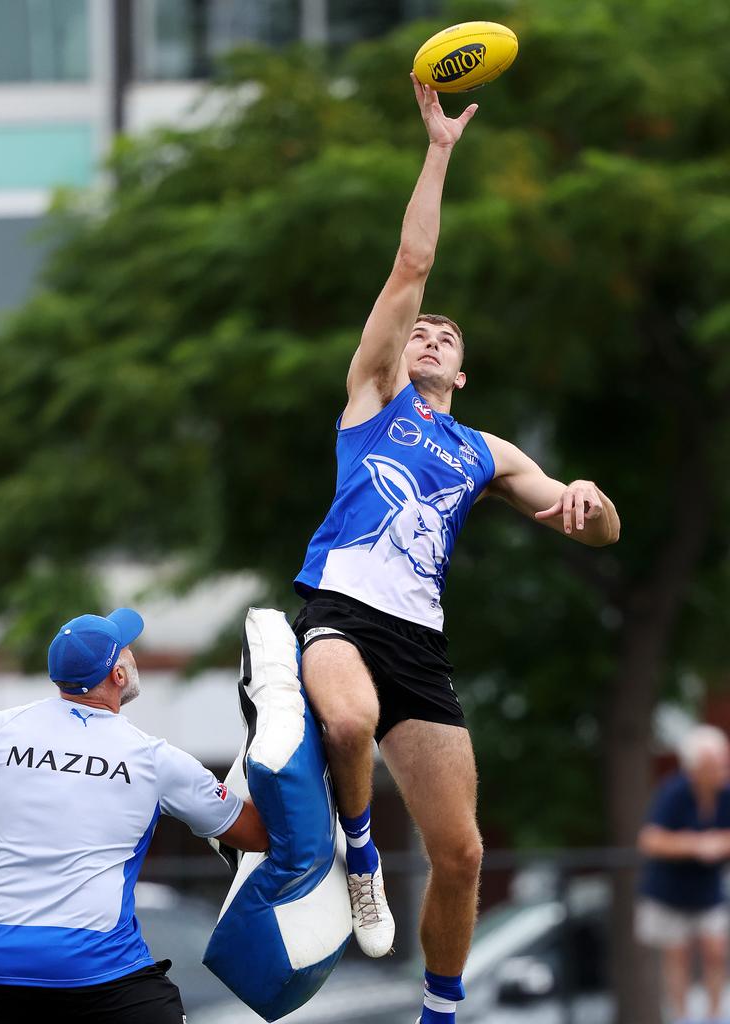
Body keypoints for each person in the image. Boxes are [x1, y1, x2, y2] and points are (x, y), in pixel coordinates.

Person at [292, 75, 620, 1024]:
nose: (428, 335)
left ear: (463, 371)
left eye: (444, 337)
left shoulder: (485, 450)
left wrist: (592, 506)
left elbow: (585, 520)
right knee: (347, 727)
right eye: (420, 332)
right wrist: (438, 150)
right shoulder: (372, 398)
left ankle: (441, 1010)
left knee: (465, 854)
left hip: (420, 644)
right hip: (343, 611)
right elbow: (412, 262)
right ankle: (359, 852)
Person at [0, 608, 268, 1024]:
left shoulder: (2, 729)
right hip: (95, 962)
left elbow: (53, 782)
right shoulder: (152, 758)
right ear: (118, 676)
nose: (133, 653)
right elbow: (253, 835)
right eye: (127, 649)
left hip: (4, 963)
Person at [637, 725, 730, 1024]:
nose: (721, 768)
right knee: (677, 957)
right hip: (670, 891)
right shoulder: (674, 791)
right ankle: (682, 1017)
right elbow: (650, 840)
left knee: (716, 951)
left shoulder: (726, 793)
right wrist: (695, 844)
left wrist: (718, 843)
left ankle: (715, 1015)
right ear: (696, 765)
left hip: (707, 889)